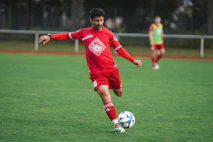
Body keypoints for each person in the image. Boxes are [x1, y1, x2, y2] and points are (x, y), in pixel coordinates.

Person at [39, 8, 142, 134]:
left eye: (101, 20)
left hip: (112, 70)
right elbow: (67, 35)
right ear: (91, 20)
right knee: (104, 94)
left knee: (119, 93)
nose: (99, 23)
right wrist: (50, 36)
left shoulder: (108, 33)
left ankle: (112, 92)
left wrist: (133, 60)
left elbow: (119, 49)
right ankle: (116, 124)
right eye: (96, 20)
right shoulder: (84, 32)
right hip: (96, 73)